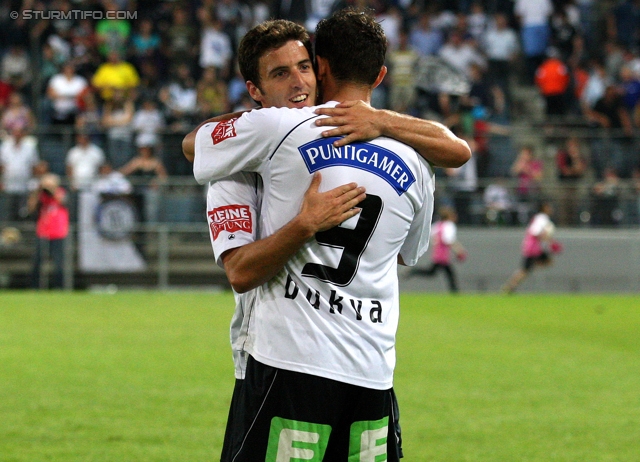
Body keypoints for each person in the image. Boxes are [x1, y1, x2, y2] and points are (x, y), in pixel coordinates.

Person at [184, 9, 468, 460]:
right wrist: (386, 123)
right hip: (374, 372)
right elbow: (405, 251)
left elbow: (193, 145)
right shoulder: (417, 162)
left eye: (302, 68)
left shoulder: (278, 130)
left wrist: (304, 226)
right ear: (380, 74)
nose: (297, 82)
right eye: (281, 73)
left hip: (288, 362)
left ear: (321, 68)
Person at [502, 201, 563, 294]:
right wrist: (551, 242)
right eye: (549, 207)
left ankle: (511, 286)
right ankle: (509, 286)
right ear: (544, 208)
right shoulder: (541, 218)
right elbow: (536, 232)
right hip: (533, 247)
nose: (551, 209)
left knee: (529, 268)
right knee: (526, 269)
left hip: (533, 247)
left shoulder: (540, 218)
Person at [409, 206, 467, 293]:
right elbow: (448, 240)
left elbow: (432, 238)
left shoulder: (436, 225)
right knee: (448, 274)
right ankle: (455, 291)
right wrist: (459, 251)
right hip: (443, 255)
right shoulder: (449, 226)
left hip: (437, 253)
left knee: (433, 272)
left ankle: (415, 271)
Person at [27, 173, 70, 289]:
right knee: (38, 260)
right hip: (43, 231)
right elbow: (31, 207)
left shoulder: (60, 192)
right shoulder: (41, 195)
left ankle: (59, 287)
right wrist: (38, 190)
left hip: (58, 232)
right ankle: (35, 287)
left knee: (58, 261)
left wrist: (52, 189)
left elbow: (63, 201)